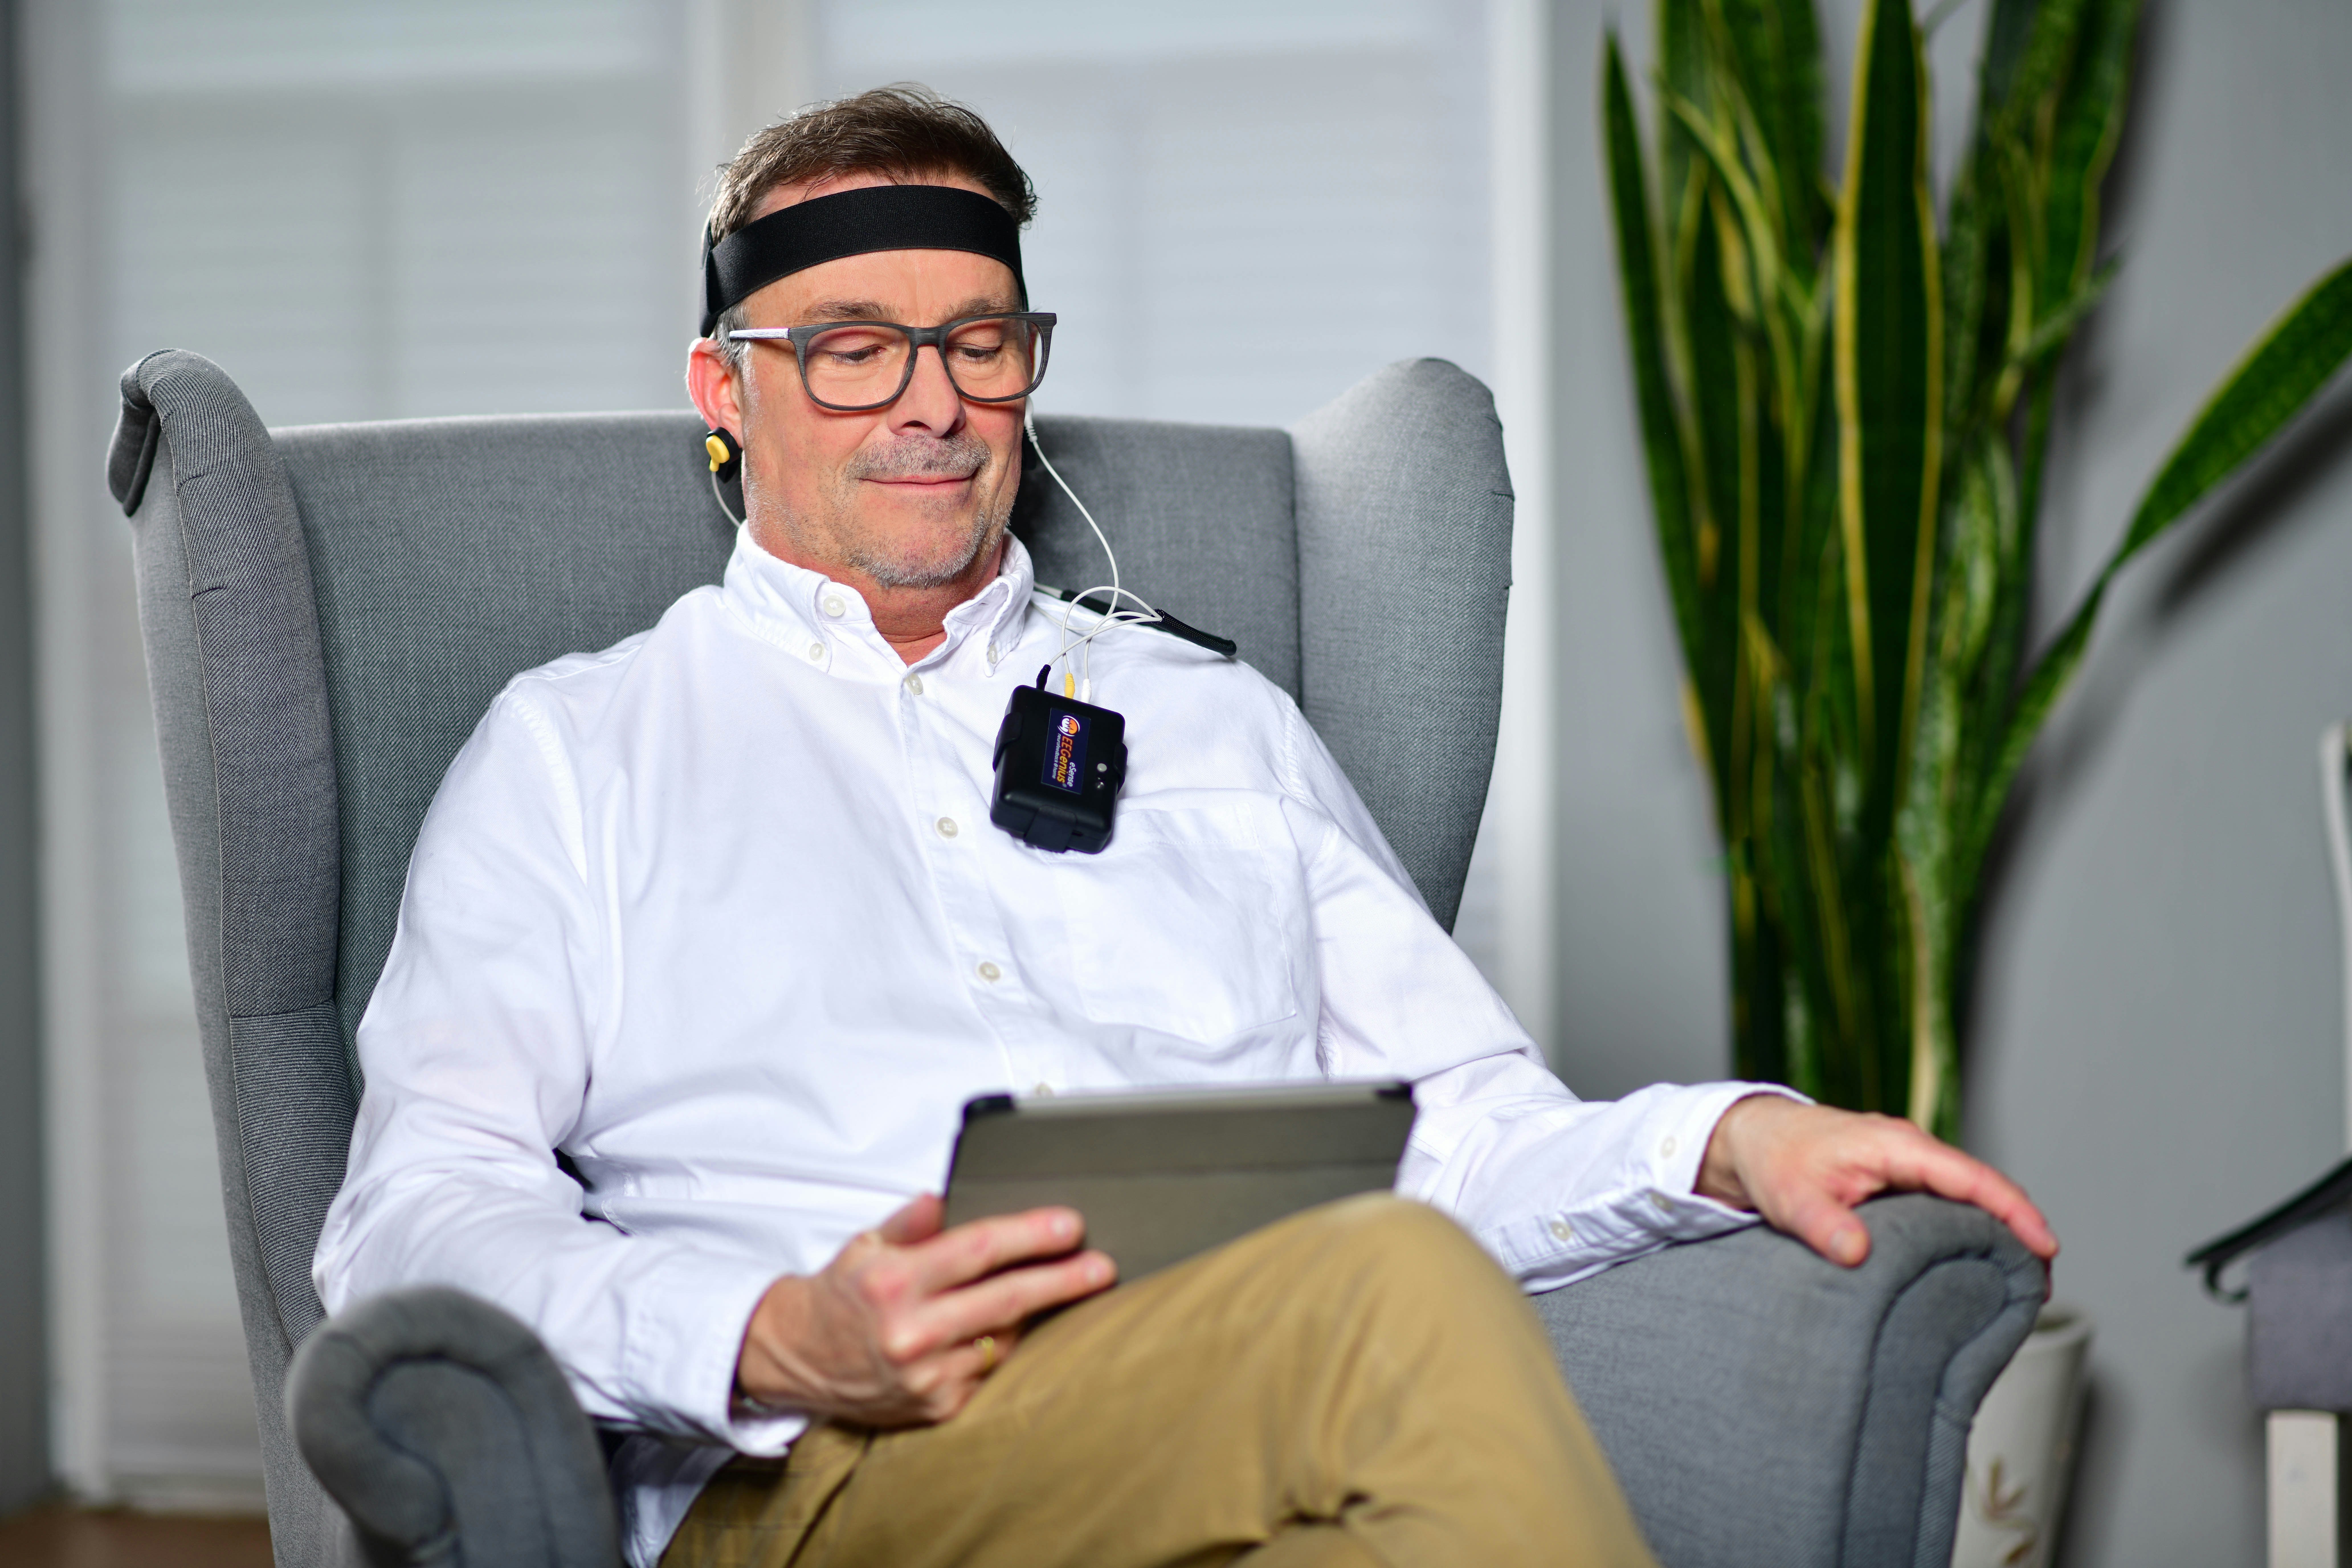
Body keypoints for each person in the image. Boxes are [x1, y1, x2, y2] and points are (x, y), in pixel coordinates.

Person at [313, 85, 2057, 1568]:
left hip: (1239, 1408)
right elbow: (415, 1214)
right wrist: (775, 1336)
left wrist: (1728, 1142)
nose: (930, 403)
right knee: (1382, 1288)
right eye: (851, 353)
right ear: (724, 387)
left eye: (978, 344)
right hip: (825, 1479)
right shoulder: (577, 754)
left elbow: (1454, 1132)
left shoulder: (1215, 727)